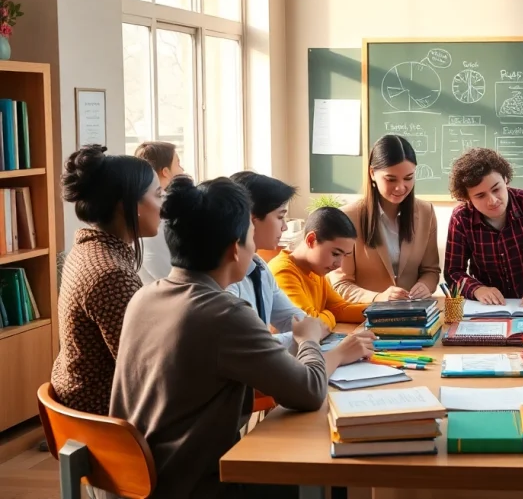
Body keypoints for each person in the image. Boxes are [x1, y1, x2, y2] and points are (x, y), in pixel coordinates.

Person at [110, 176, 373, 499]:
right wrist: (308, 340)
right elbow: (308, 391)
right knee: (313, 467)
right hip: (196, 483)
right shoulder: (224, 313)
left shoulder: (144, 297)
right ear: (235, 249)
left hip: (138, 482)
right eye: (250, 236)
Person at [50, 145, 162, 415]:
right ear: (128, 205)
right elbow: (142, 368)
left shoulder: (87, 249)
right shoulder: (112, 274)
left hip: (80, 399)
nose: (163, 205)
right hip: (105, 414)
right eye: (158, 195)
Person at [443, 147, 523, 308]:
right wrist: (476, 289)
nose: (492, 201)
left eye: (496, 189)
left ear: (506, 179)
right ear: (467, 198)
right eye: (480, 196)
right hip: (489, 305)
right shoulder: (461, 218)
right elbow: (453, 272)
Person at [330, 134, 441, 303]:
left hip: (413, 312)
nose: (400, 187)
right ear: (372, 173)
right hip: (365, 314)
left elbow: (431, 270)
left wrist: (425, 285)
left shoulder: (426, 212)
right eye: (391, 179)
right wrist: (378, 297)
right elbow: (341, 283)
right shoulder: (347, 217)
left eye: (408, 178)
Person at [226, 171, 329, 347]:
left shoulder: (259, 267)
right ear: (251, 219)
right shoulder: (226, 278)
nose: (284, 227)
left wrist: (311, 329)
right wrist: (308, 335)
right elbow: (248, 346)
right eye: (280, 217)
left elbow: (293, 318)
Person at [270, 207, 367, 329]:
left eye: (345, 255)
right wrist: (330, 315)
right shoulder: (283, 271)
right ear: (311, 240)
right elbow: (309, 326)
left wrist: (382, 311)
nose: (339, 264)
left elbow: (340, 309)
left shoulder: (315, 270)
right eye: (335, 254)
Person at [134, 141, 187, 285]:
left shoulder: (141, 206)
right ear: (165, 172)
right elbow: (169, 271)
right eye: (178, 164)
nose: (182, 170)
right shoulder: (161, 210)